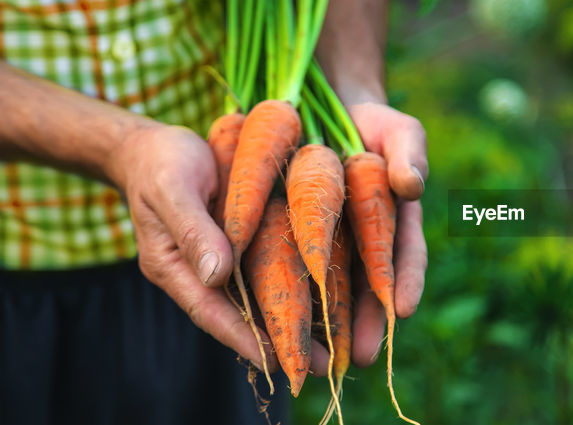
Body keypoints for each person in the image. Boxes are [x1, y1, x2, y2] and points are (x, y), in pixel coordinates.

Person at [0, 1, 428, 423]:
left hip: (209, 242)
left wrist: (356, 87)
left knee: (250, 335)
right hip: (20, 273)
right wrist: (122, 148)